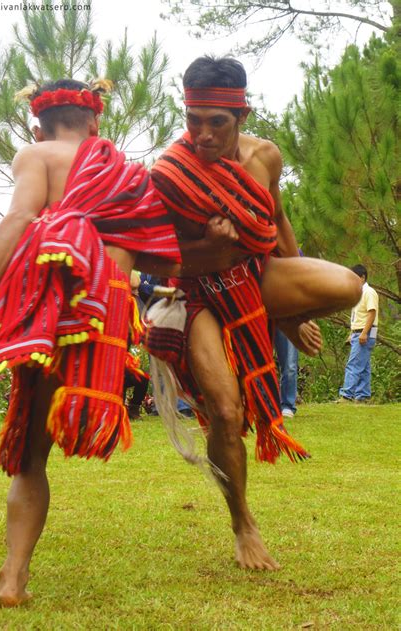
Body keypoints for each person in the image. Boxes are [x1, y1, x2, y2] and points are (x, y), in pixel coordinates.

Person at [0, 78, 182, 607]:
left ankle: (14, 577)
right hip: (103, 316)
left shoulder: (36, 154)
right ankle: (6, 331)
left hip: (56, 301)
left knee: (29, 459)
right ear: (96, 125)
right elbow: (162, 254)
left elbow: (20, 217)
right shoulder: (128, 173)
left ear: (36, 124)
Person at [149, 56, 362, 571]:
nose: (201, 135)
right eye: (192, 120)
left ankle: (281, 319)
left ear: (241, 114)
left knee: (348, 286)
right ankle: (243, 522)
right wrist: (206, 246)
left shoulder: (265, 156)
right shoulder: (169, 173)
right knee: (225, 413)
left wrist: (294, 305)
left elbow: (279, 220)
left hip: (254, 274)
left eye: (215, 123)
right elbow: (159, 258)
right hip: (196, 292)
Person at [339, 264, 379, 402]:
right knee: (364, 365)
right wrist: (352, 333)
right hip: (359, 331)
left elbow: (372, 313)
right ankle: (363, 395)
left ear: (362, 277)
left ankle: (346, 395)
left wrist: (363, 333)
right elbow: (357, 315)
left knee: (354, 364)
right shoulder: (359, 293)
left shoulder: (369, 292)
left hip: (365, 332)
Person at [274, 328, 299, 418]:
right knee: (259, 363)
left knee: (290, 365)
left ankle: (287, 405)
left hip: (286, 319)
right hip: (261, 317)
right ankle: (261, 404)